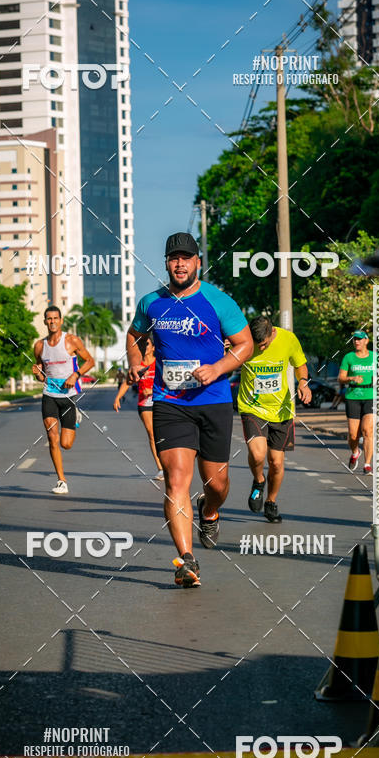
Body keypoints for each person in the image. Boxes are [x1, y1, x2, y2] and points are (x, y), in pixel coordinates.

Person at [126, 231, 253, 588]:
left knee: (218, 481)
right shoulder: (151, 302)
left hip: (213, 400)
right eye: (173, 258)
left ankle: (210, 511)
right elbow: (134, 336)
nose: (179, 264)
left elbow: (246, 344)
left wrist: (218, 368)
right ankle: (186, 560)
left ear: (198, 262)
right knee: (176, 480)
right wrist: (136, 359)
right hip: (170, 401)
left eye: (186, 257)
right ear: (166, 263)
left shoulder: (218, 301)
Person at [238, 316, 312, 523]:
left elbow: (301, 365)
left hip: (281, 410)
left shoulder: (288, 339)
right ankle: (259, 480)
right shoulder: (243, 340)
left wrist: (303, 383)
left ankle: (271, 502)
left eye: (264, 344)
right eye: (257, 344)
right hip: (252, 407)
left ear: (272, 333)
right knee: (258, 453)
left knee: (277, 463)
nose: (260, 348)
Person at [32, 305, 94, 494]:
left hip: (68, 397)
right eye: (48, 319)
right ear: (45, 322)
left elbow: (90, 361)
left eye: (55, 318)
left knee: (66, 444)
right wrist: (37, 374)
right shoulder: (39, 346)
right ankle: (61, 480)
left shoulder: (71, 341)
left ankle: (75, 416)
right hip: (49, 394)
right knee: (52, 437)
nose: (52, 322)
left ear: (61, 320)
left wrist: (76, 375)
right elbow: (42, 374)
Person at [113, 336, 163, 481]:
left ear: (153, 347)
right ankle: (160, 468)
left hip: (161, 401)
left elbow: (168, 383)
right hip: (145, 404)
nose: (144, 346)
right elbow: (128, 382)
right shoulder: (138, 365)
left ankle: (169, 465)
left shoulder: (159, 363)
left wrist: (153, 392)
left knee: (165, 434)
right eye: (142, 344)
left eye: (147, 344)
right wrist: (117, 397)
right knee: (152, 434)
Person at [338, 331, 376, 475]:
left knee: (368, 431)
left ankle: (367, 465)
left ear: (366, 340)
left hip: (371, 396)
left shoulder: (375, 357)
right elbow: (341, 378)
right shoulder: (349, 357)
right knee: (353, 435)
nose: (357, 342)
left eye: (359, 339)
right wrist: (352, 378)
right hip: (353, 396)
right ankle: (355, 452)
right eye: (354, 339)